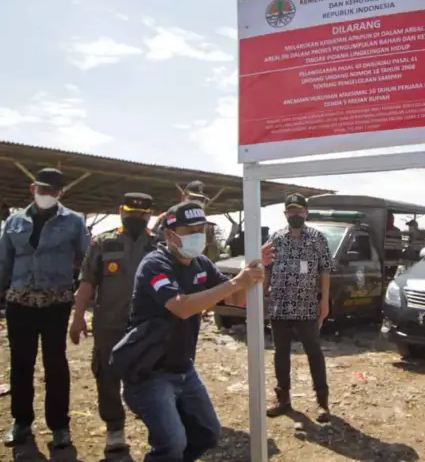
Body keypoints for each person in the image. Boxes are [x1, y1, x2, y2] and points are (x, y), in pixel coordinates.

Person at [121, 201, 272, 461]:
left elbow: (235, 299)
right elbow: (181, 308)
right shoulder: (155, 265)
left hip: (183, 369)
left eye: (201, 230)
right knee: (172, 442)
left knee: (207, 434)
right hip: (149, 373)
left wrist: (258, 271)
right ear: (170, 234)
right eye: (191, 231)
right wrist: (238, 281)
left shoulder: (201, 264)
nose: (198, 236)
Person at [0, 168, 90, 448]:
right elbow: (4, 261)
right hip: (19, 303)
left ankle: (59, 426)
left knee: (55, 364)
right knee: (21, 363)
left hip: (55, 303)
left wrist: (81, 296)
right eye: (43, 190)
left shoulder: (74, 222)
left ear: (61, 193)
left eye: (53, 192)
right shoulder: (14, 222)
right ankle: (22, 422)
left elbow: (86, 259)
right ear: (32, 188)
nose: (47, 196)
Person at [69, 193, 158, 455]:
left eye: (142, 214)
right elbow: (87, 283)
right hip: (110, 324)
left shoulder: (158, 244)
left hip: (148, 326)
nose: (136, 218)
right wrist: (77, 319)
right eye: (131, 212)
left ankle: (158, 425)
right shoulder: (102, 242)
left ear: (150, 215)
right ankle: (114, 429)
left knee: (151, 376)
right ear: (121, 211)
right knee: (107, 376)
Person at [265, 193, 333, 423]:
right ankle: (282, 399)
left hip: (306, 306)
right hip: (280, 305)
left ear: (306, 213)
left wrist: (324, 301)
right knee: (280, 353)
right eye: (291, 211)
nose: (295, 214)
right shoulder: (275, 238)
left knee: (314, 352)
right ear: (285, 214)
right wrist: (263, 295)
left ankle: (322, 403)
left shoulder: (317, 238)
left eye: (299, 210)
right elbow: (266, 269)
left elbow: (325, 270)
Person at [152, 180, 219, 261]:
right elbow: (159, 246)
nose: (198, 201)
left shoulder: (207, 225)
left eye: (202, 200)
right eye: (194, 197)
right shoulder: (168, 218)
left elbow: (212, 253)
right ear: (183, 197)